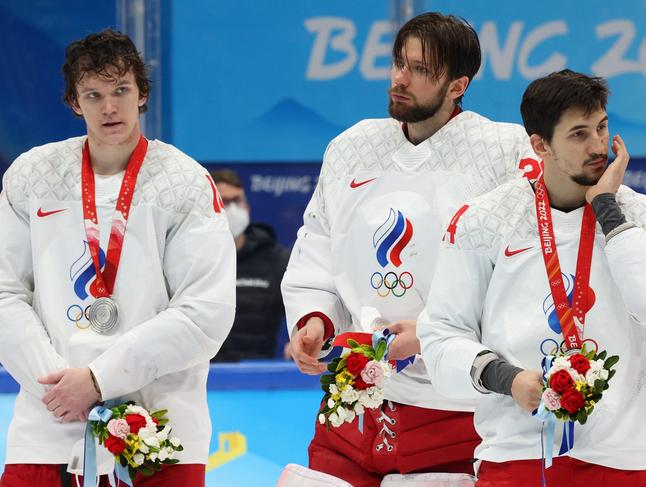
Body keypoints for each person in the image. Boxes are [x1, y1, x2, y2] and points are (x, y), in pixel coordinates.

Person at [281, 12, 542, 487]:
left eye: (420, 70)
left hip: (459, 405)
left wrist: (431, 334)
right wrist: (314, 317)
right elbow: (318, 242)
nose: (400, 79)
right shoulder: (351, 146)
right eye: (399, 63)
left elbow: (526, 271)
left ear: (458, 85)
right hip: (355, 400)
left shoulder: (504, 150)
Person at [0, 29, 235, 486]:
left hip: (159, 431)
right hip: (48, 427)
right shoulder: (31, 175)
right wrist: (59, 386)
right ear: (74, 102)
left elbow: (205, 313)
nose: (109, 107)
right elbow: (5, 292)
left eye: (121, 91)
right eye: (94, 94)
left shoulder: (185, 181)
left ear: (142, 94)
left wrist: (99, 378)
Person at [417, 69, 646, 485]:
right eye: (579, 135)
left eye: (601, 127)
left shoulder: (639, 218)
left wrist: (609, 211)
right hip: (518, 454)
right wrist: (506, 380)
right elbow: (441, 335)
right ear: (539, 145)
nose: (598, 146)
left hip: (623, 458)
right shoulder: (484, 220)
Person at [210, 169, 290, 362]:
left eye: (236, 201)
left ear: (247, 207)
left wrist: (299, 336)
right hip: (203, 374)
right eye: (224, 202)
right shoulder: (190, 259)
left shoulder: (276, 258)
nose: (232, 209)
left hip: (259, 376)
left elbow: (303, 303)